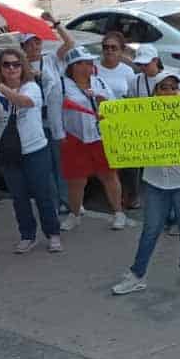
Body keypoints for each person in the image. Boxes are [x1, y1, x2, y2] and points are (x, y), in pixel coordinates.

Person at [111, 71, 180, 295]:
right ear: (155, 92)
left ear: (179, 92)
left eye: (173, 88)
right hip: (155, 181)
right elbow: (123, 134)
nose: (168, 92)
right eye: (163, 88)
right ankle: (138, 274)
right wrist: (110, 123)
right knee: (151, 228)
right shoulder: (142, 114)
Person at [0, 47, 62, 254]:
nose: (11, 68)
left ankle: (53, 234)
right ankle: (27, 235)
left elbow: (24, 102)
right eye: (6, 64)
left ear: (23, 66)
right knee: (19, 197)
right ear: (0, 67)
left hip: (35, 150)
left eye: (16, 64)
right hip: (9, 152)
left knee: (43, 194)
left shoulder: (31, 87)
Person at [58, 47, 120, 232]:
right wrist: (59, 135)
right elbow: (55, 112)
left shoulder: (99, 81)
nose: (86, 67)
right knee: (76, 180)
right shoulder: (62, 85)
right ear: (71, 67)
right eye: (81, 64)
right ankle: (75, 214)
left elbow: (115, 105)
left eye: (89, 63)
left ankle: (118, 213)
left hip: (100, 136)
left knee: (109, 175)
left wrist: (104, 100)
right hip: (75, 138)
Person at [22, 14, 74, 215]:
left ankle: (65, 201)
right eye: (30, 43)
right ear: (23, 46)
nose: (35, 46)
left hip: (54, 121)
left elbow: (69, 43)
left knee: (60, 164)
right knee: (45, 168)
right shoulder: (19, 65)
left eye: (37, 41)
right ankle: (52, 202)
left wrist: (56, 23)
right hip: (34, 123)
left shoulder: (51, 59)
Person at [95, 31, 140, 210]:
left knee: (129, 162)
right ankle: (115, 197)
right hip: (100, 122)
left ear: (121, 50)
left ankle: (133, 195)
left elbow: (132, 97)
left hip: (122, 121)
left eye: (114, 48)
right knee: (109, 163)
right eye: (106, 47)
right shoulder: (93, 68)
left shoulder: (128, 71)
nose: (109, 51)